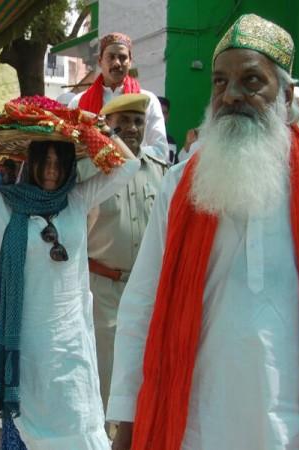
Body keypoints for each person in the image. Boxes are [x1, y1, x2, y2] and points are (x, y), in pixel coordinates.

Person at [108, 14, 299, 450]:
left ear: (285, 96)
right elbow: (142, 305)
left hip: (298, 425)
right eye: (219, 81)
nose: (230, 95)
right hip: (197, 423)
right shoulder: (181, 184)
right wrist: (126, 418)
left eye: (251, 81)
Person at [0, 126, 140, 449]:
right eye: (44, 161)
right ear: (29, 163)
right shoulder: (3, 206)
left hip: (73, 346)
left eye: (60, 162)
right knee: (32, 435)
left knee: (82, 426)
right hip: (26, 347)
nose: (51, 170)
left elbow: (129, 167)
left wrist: (102, 130)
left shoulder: (76, 199)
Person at [76, 93, 166, 432]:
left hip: (149, 293)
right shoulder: (89, 170)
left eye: (138, 121)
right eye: (122, 122)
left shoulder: (162, 173)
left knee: (146, 374)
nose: (131, 128)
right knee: (106, 378)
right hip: (102, 291)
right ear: (107, 126)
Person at [68, 32, 168, 160]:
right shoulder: (78, 102)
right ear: (100, 61)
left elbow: (160, 150)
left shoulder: (148, 100)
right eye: (111, 57)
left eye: (122, 57)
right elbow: (69, 147)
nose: (117, 63)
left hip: (134, 175)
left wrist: (124, 154)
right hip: (92, 178)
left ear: (130, 62)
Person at [157, 96, 177, 163]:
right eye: (159, 112)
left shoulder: (171, 141)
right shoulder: (143, 139)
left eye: (164, 113)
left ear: (168, 116)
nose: (162, 116)